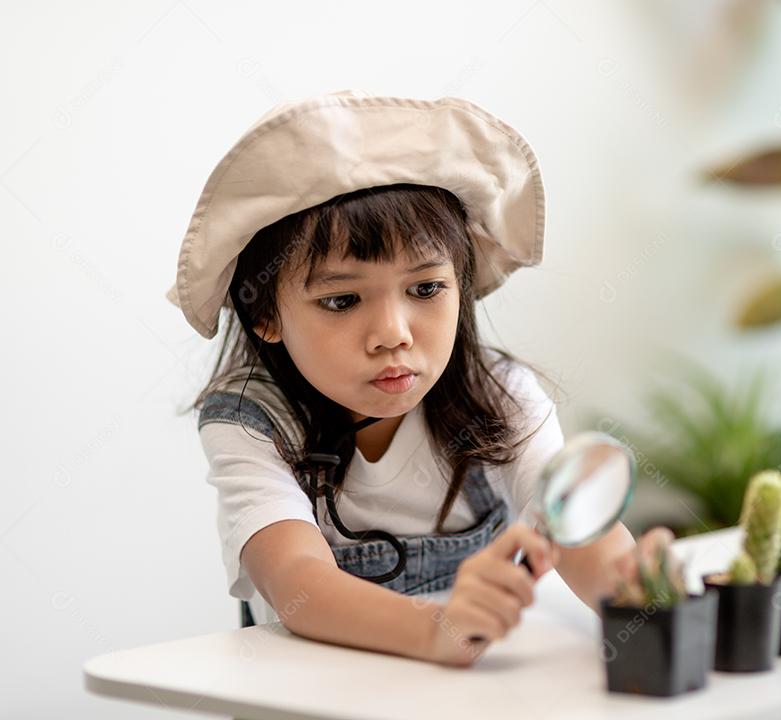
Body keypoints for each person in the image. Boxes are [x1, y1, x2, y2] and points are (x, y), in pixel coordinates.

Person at [167, 91, 671, 668]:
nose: (393, 334)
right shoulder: (251, 422)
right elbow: (297, 582)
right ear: (266, 316)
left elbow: (576, 526)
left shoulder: (501, 398)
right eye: (341, 299)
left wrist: (635, 593)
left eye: (426, 289)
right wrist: (437, 630)